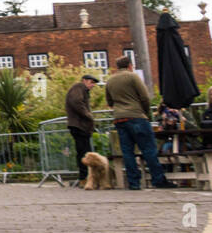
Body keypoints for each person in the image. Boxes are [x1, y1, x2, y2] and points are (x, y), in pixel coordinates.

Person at [105, 55, 170, 190]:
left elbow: (110, 101)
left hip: (119, 118)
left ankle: (134, 182)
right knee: (148, 149)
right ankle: (158, 179)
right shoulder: (133, 77)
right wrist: (145, 112)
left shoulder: (110, 80)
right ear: (130, 65)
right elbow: (145, 97)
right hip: (136, 116)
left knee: (127, 152)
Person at [65, 74, 100, 184]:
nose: (93, 85)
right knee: (84, 153)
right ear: (84, 80)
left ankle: (86, 177)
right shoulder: (79, 88)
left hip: (81, 126)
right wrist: (88, 115)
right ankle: (84, 178)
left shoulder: (81, 89)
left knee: (84, 152)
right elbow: (76, 102)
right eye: (91, 82)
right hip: (79, 126)